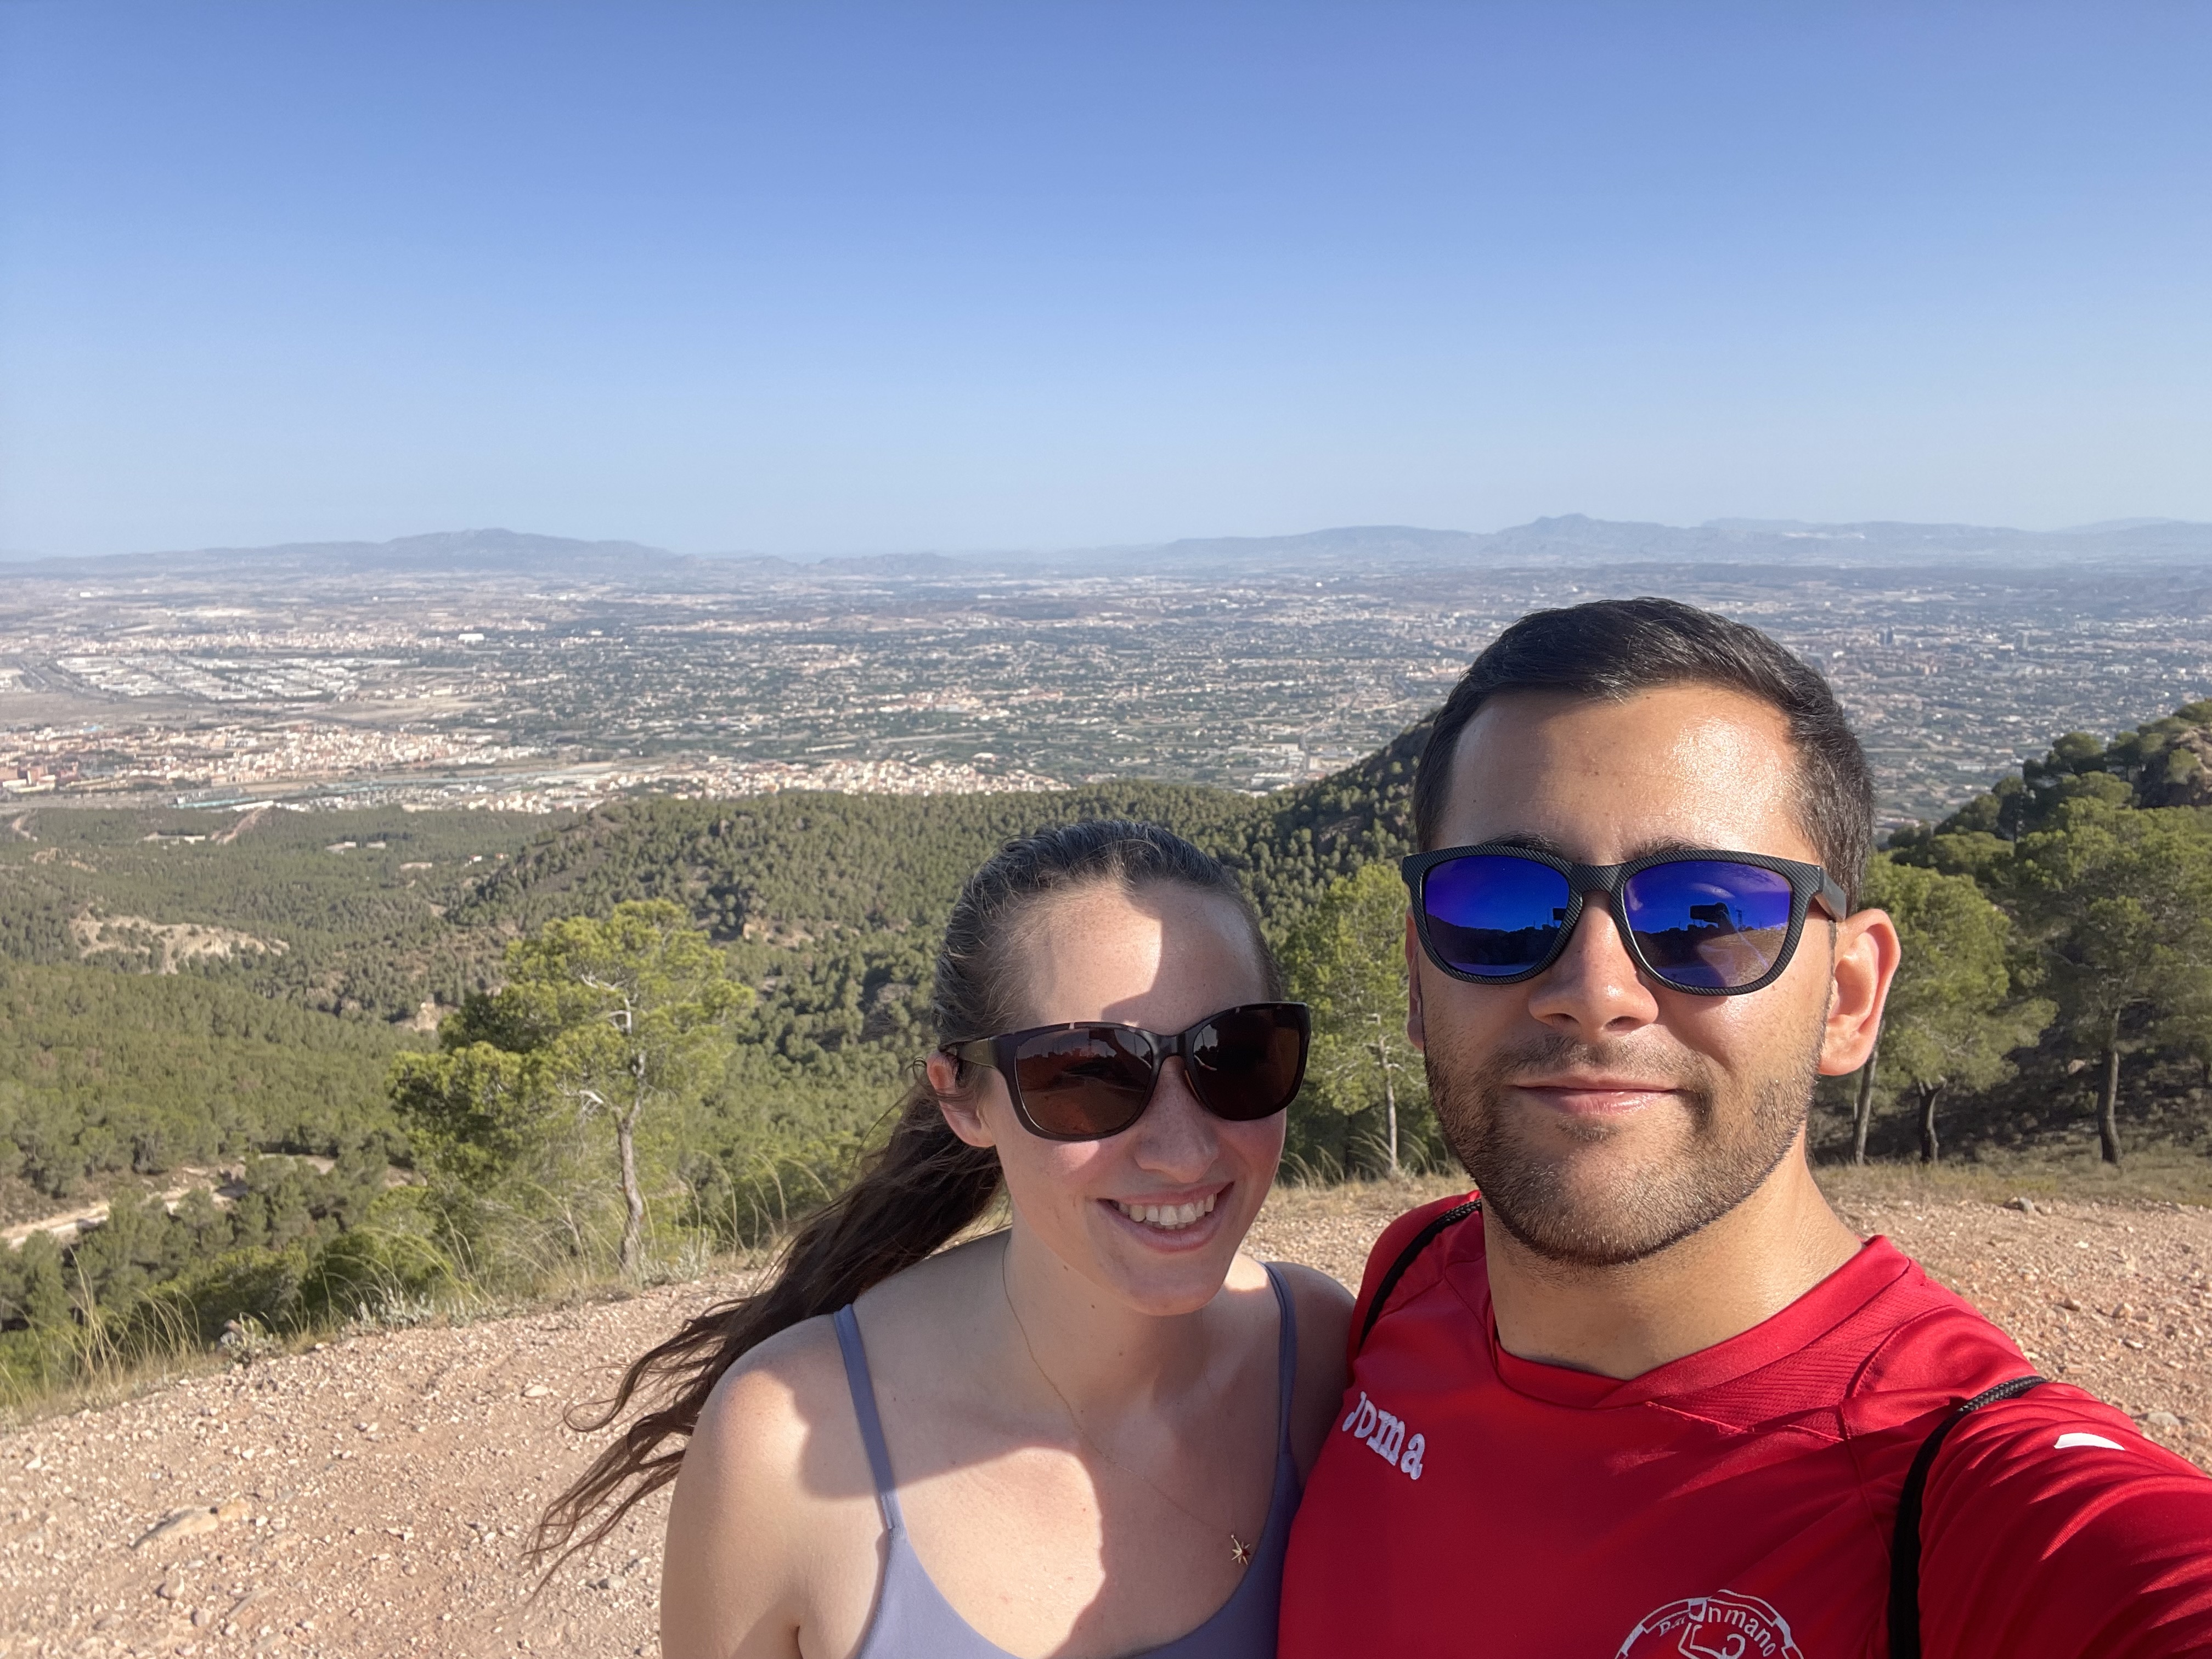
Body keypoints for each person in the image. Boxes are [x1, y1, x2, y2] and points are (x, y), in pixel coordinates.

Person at [1280, 599, 2212, 1658]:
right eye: (1502, 906)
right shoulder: (1416, 1274)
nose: (1595, 992)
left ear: (1849, 997)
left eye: (1704, 914)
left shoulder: (1957, 1494)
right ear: (1414, 975)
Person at [536, 820, 1352, 1659]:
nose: (1183, 1151)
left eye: (1238, 1055)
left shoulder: (1323, 1354)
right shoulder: (778, 1450)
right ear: (962, 1099)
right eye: (1086, 1076)